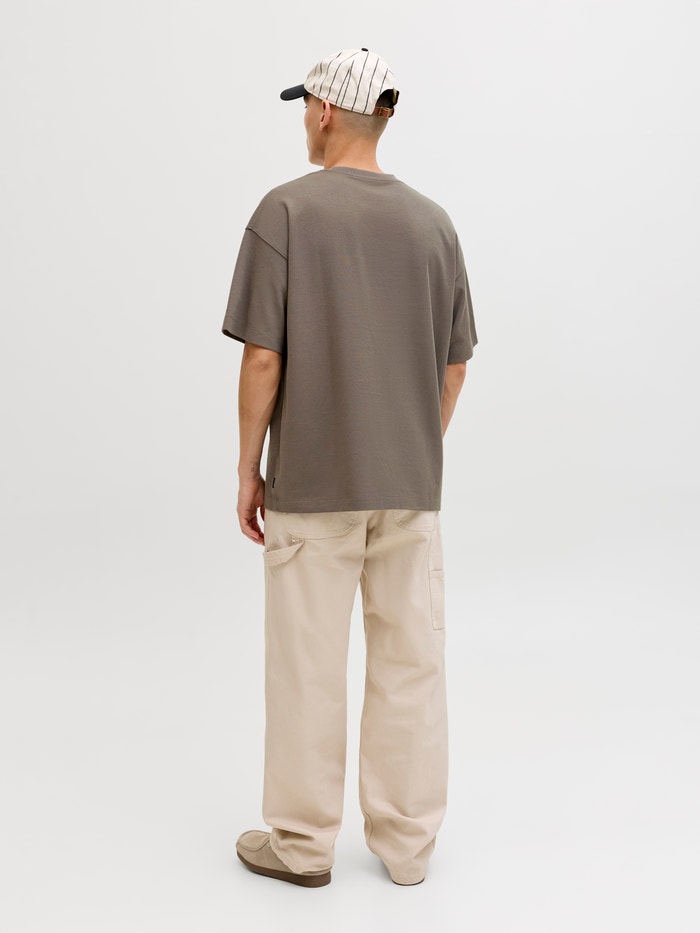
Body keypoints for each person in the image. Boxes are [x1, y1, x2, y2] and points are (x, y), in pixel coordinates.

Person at [221, 48, 478, 888]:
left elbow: (263, 357)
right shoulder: (435, 224)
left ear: (327, 111)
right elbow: (455, 365)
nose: (303, 118)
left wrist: (249, 467)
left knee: (307, 666)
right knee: (412, 663)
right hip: (410, 489)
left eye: (306, 106)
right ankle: (407, 847)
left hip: (312, 486)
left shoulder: (286, 212)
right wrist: (412, 444)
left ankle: (302, 845)